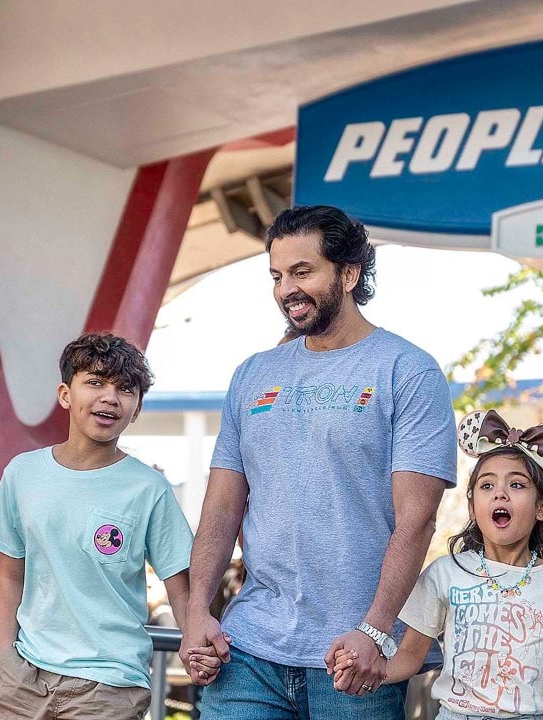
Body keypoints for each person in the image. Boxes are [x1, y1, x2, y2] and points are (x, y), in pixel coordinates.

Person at [178, 205, 457, 720]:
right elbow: (220, 508)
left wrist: (374, 630)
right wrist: (197, 613)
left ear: (349, 274)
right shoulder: (253, 375)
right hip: (250, 649)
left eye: (303, 271)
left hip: (355, 659)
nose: (287, 289)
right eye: (277, 275)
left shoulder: (408, 371)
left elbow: (416, 520)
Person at [331, 409, 543, 720]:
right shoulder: (445, 573)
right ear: (472, 505)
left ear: (542, 507)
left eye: (516, 485)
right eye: (487, 486)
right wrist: (371, 669)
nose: (500, 493)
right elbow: (410, 657)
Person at [0, 333, 197, 719]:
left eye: (125, 389)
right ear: (65, 394)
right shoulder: (22, 473)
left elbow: (182, 589)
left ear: (137, 408)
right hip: (25, 678)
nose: (110, 397)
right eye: (95, 382)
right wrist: (4, 656)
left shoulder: (150, 488)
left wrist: (198, 649)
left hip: (111, 686)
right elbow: (11, 576)